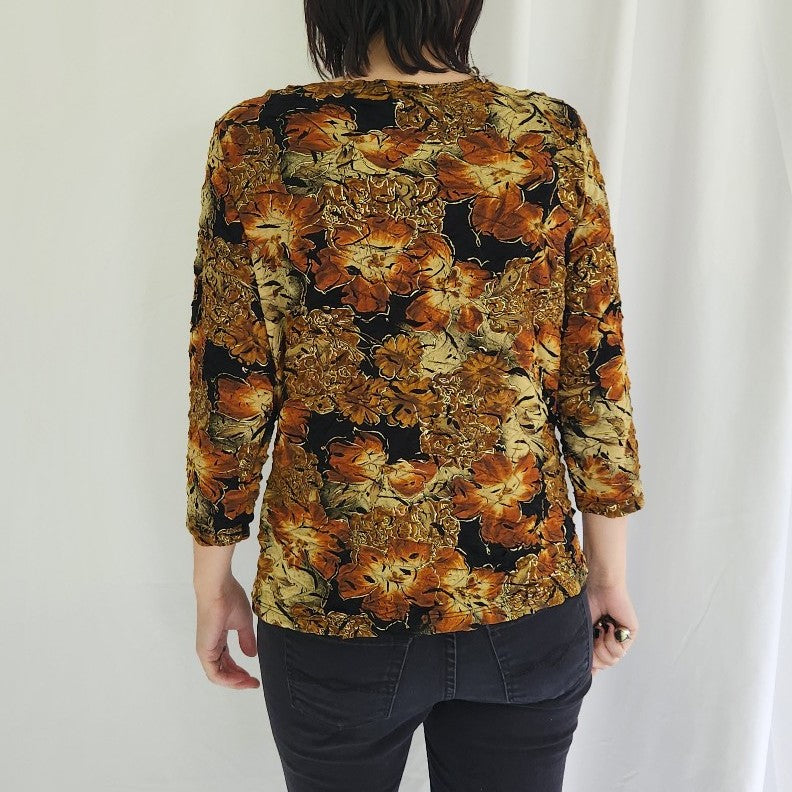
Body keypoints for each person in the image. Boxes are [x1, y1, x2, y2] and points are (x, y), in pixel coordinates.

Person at [185, 0, 645, 789]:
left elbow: (230, 381)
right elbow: (595, 372)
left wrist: (211, 582)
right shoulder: (545, 135)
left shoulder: (258, 138)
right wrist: (609, 576)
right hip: (523, 593)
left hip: (330, 599)